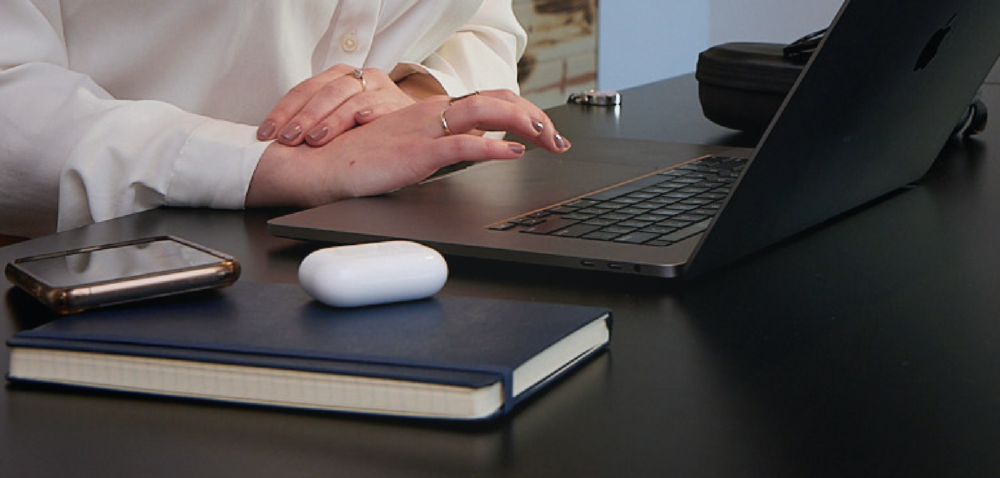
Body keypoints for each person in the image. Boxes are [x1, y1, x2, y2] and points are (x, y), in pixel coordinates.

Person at [0, 0, 570, 239]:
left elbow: (482, 23)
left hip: (387, 241)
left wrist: (417, 100)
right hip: (110, 264)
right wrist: (278, 166)